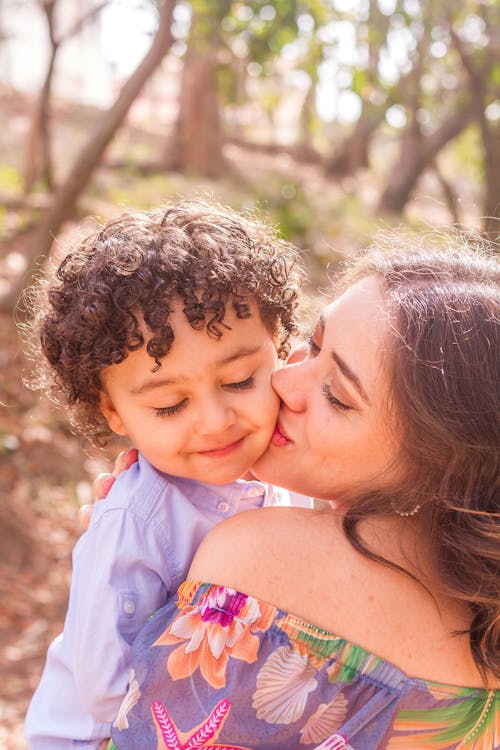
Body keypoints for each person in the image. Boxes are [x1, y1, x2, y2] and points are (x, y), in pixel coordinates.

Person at [105, 236, 499, 749]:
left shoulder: (257, 558)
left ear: (443, 461)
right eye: (312, 345)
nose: (285, 382)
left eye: (336, 396)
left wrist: (128, 549)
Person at [24, 200, 311, 750]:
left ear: (278, 348)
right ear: (113, 413)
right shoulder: (134, 521)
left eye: (240, 380)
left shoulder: (292, 479)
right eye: (169, 407)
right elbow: (107, 688)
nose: (214, 421)